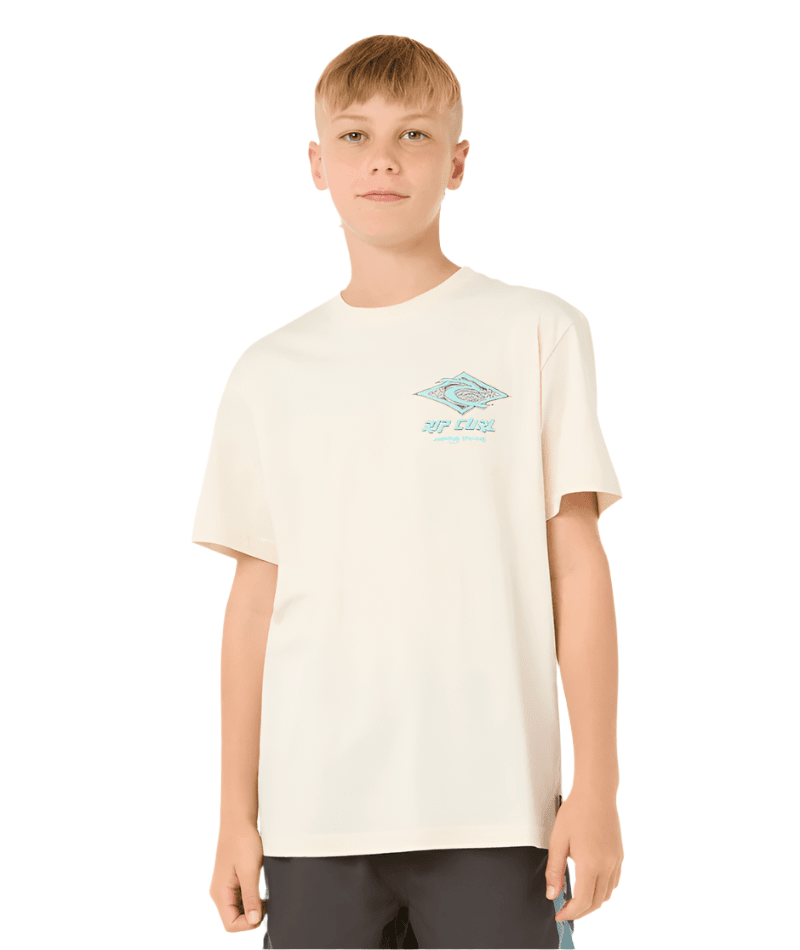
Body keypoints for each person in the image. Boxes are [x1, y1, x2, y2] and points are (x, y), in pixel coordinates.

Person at [191, 34, 624, 950]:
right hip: (313, 819)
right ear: (318, 163)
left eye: (413, 135)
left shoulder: (534, 332)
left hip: (496, 812)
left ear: (457, 162)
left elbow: (576, 568)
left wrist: (597, 789)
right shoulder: (270, 371)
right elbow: (254, 603)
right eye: (354, 136)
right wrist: (236, 814)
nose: (382, 159)